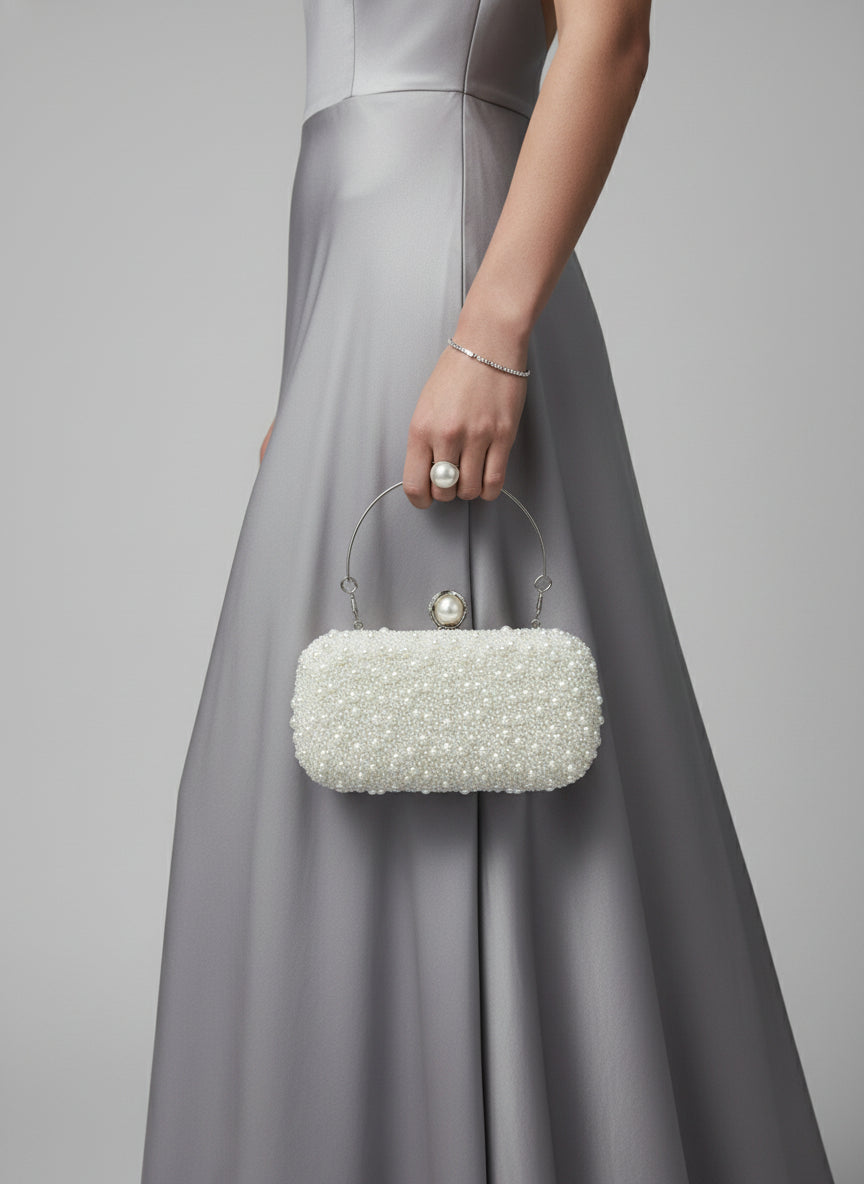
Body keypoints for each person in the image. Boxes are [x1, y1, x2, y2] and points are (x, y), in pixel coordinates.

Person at [141, 1, 836, 1181]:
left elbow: (608, 33)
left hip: (445, 270)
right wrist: (305, 367)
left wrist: (491, 329)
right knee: (349, 744)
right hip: (355, 291)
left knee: (464, 732)